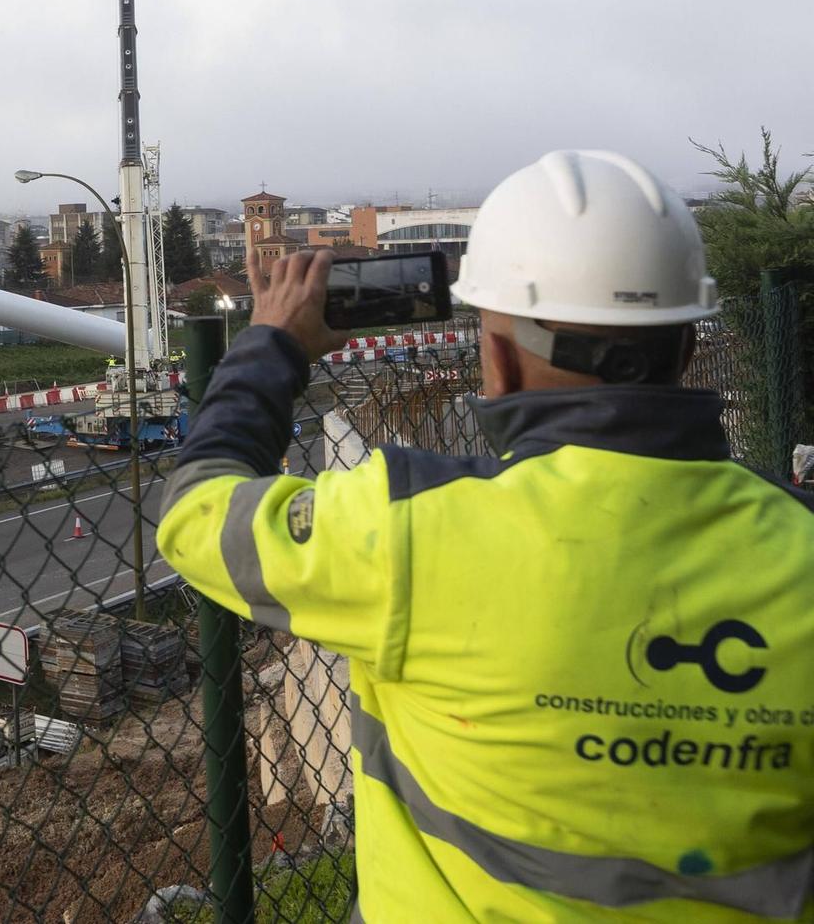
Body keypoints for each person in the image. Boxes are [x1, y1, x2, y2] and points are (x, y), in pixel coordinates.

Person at [156, 150, 814, 922]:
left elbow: (197, 512)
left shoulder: (410, 527)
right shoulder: (798, 542)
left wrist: (273, 345)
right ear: (689, 349)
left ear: (495, 355)